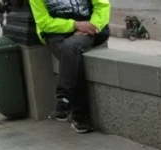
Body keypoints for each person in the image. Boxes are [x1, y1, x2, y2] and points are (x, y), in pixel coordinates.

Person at [28, 0, 110, 133]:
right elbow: (43, 22)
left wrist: (91, 26)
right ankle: (79, 115)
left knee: (71, 48)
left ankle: (64, 98)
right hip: (55, 32)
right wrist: (75, 25)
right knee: (71, 55)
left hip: (88, 29)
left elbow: (102, 6)